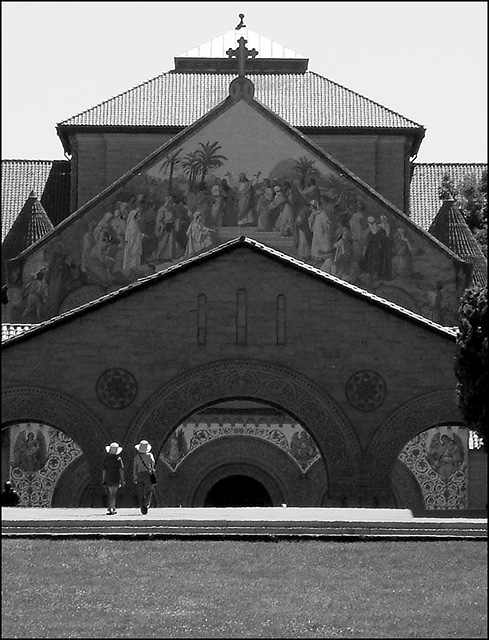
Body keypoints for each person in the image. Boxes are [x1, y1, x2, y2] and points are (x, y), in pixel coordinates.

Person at [133, 439, 156, 515]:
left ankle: (142, 505)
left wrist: (134, 476)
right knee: (149, 490)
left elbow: (134, 467)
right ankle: (146, 503)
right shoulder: (149, 455)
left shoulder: (137, 456)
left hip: (139, 474)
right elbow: (153, 462)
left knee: (141, 492)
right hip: (147, 474)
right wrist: (151, 469)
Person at [102, 442, 125, 515]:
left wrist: (103, 479)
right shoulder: (118, 459)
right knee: (113, 494)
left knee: (111, 493)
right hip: (115, 477)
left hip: (108, 477)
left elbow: (104, 470)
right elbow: (121, 470)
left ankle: (113, 508)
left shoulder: (106, 459)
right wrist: (122, 479)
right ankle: (110, 508)